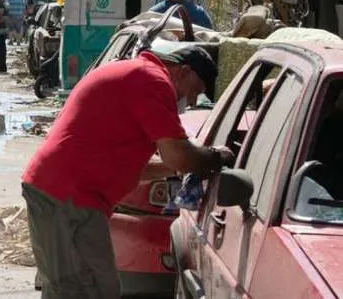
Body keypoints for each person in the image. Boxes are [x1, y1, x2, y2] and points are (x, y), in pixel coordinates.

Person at [21, 45, 234, 298]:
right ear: (183, 71)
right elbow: (179, 155)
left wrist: (181, 166)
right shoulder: (153, 82)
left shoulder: (139, 75)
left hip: (63, 193)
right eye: (195, 91)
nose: (192, 102)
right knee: (84, 290)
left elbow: (139, 165)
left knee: (91, 289)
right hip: (68, 198)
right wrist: (214, 157)